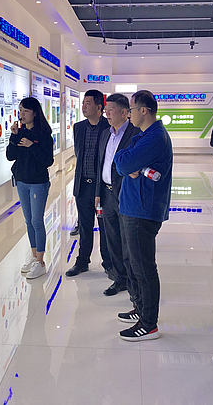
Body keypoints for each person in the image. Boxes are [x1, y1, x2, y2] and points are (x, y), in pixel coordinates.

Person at [114, 90, 173, 341]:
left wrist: (129, 165)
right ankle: (140, 308)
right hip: (132, 206)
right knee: (133, 263)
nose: (129, 114)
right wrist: (128, 164)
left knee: (143, 267)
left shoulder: (155, 137)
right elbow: (121, 158)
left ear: (144, 110)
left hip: (142, 210)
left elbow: (122, 164)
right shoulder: (143, 135)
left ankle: (149, 323)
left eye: (131, 110)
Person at [95, 93, 141, 296]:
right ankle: (119, 279)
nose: (107, 113)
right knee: (112, 238)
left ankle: (133, 283)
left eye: (110, 110)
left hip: (125, 194)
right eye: (106, 110)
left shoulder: (136, 133)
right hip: (106, 194)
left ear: (124, 112)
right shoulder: (106, 133)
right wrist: (98, 192)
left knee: (128, 240)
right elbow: (101, 164)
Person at [6, 97, 54, 279]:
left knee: (37, 221)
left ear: (35, 113)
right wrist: (13, 136)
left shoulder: (44, 135)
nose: (22, 114)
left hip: (38, 183)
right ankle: (34, 257)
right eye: (20, 110)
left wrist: (31, 145)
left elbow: (47, 160)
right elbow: (10, 156)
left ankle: (40, 262)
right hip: (21, 181)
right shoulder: (19, 133)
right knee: (28, 221)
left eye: (25, 110)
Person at [66, 90, 111, 277]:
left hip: (101, 189)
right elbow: (79, 154)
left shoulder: (109, 127)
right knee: (84, 226)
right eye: (83, 103)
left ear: (99, 107)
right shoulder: (79, 128)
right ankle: (82, 261)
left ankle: (109, 263)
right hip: (83, 185)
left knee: (105, 226)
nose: (84, 106)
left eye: (88, 103)